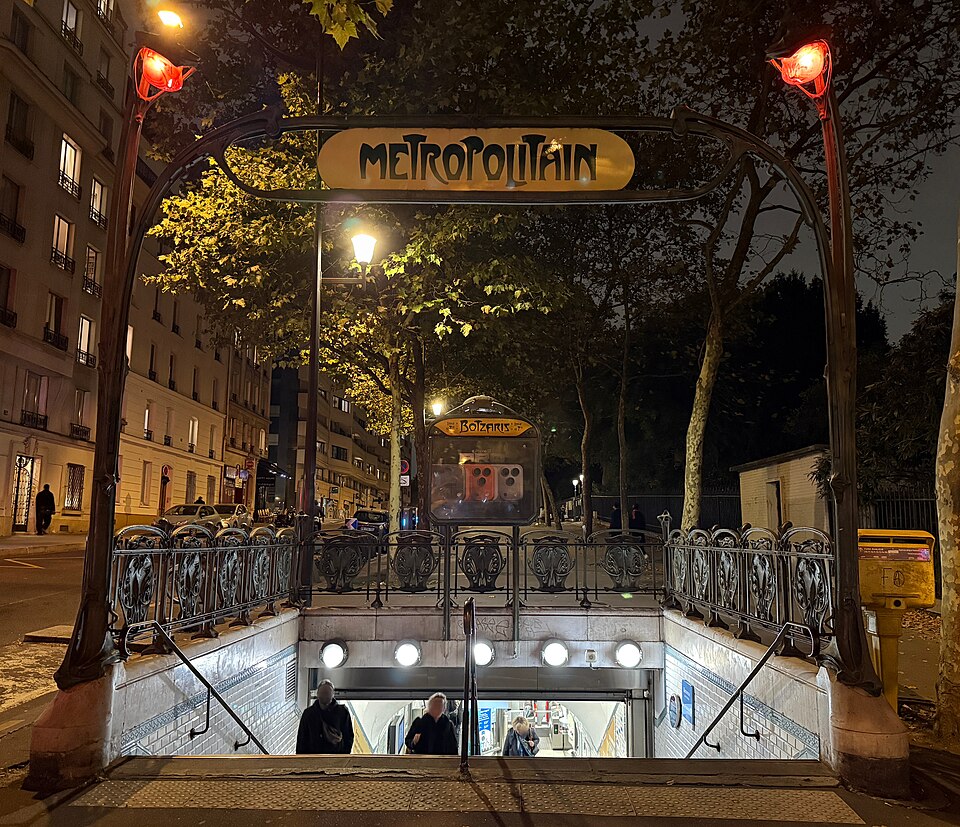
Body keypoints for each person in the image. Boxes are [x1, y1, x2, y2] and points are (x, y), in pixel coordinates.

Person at [296, 679, 354, 754]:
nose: (325, 696)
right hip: (315, 758)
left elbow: (348, 737)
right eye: (323, 693)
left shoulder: (342, 712)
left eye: (327, 693)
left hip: (333, 758)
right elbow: (302, 739)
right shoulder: (309, 714)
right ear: (318, 694)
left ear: (332, 695)